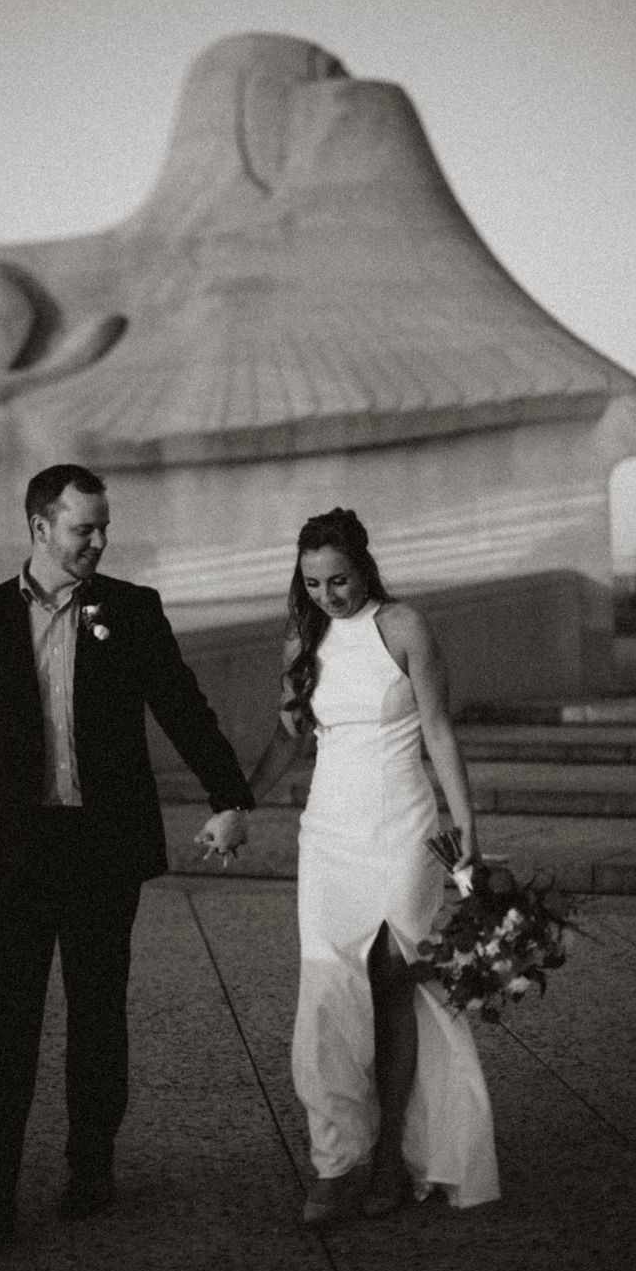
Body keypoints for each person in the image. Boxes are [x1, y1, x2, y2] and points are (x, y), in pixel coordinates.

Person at [0, 463, 255, 1247]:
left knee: (97, 1014)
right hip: (14, 851)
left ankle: (90, 1168)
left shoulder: (131, 610)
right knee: (4, 1019)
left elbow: (181, 703)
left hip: (102, 848)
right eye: (83, 529)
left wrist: (228, 796)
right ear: (40, 528)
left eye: (104, 528)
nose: (98, 541)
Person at [244, 507, 499, 1226]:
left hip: (403, 829)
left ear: (365, 565)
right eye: (314, 583)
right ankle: (337, 1159)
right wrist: (238, 803)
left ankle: (390, 1158)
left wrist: (466, 829)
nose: (329, 594)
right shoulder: (303, 638)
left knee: (393, 983)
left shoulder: (406, 627)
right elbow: (287, 740)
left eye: (340, 579)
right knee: (327, 993)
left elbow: (440, 731)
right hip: (329, 832)